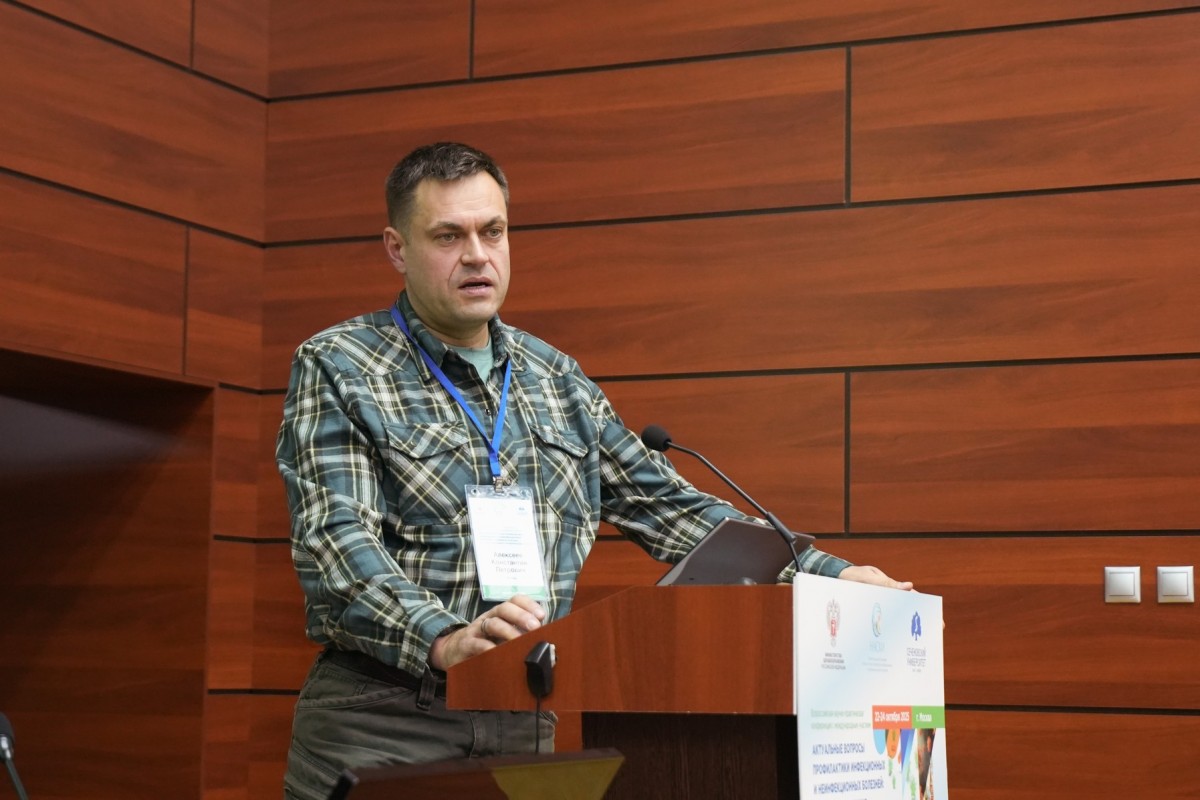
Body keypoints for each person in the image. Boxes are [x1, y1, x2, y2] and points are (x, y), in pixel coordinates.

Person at [275, 141, 912, 799]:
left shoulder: (557, 380)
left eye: (493, 231)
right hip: (383, 718)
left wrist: (830, 574)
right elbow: (336, 542)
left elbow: (672, 510)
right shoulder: (341, 365)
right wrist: (444, 639)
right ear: (397, 249)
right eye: (448, 236)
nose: (477, 254)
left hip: (523, 716)